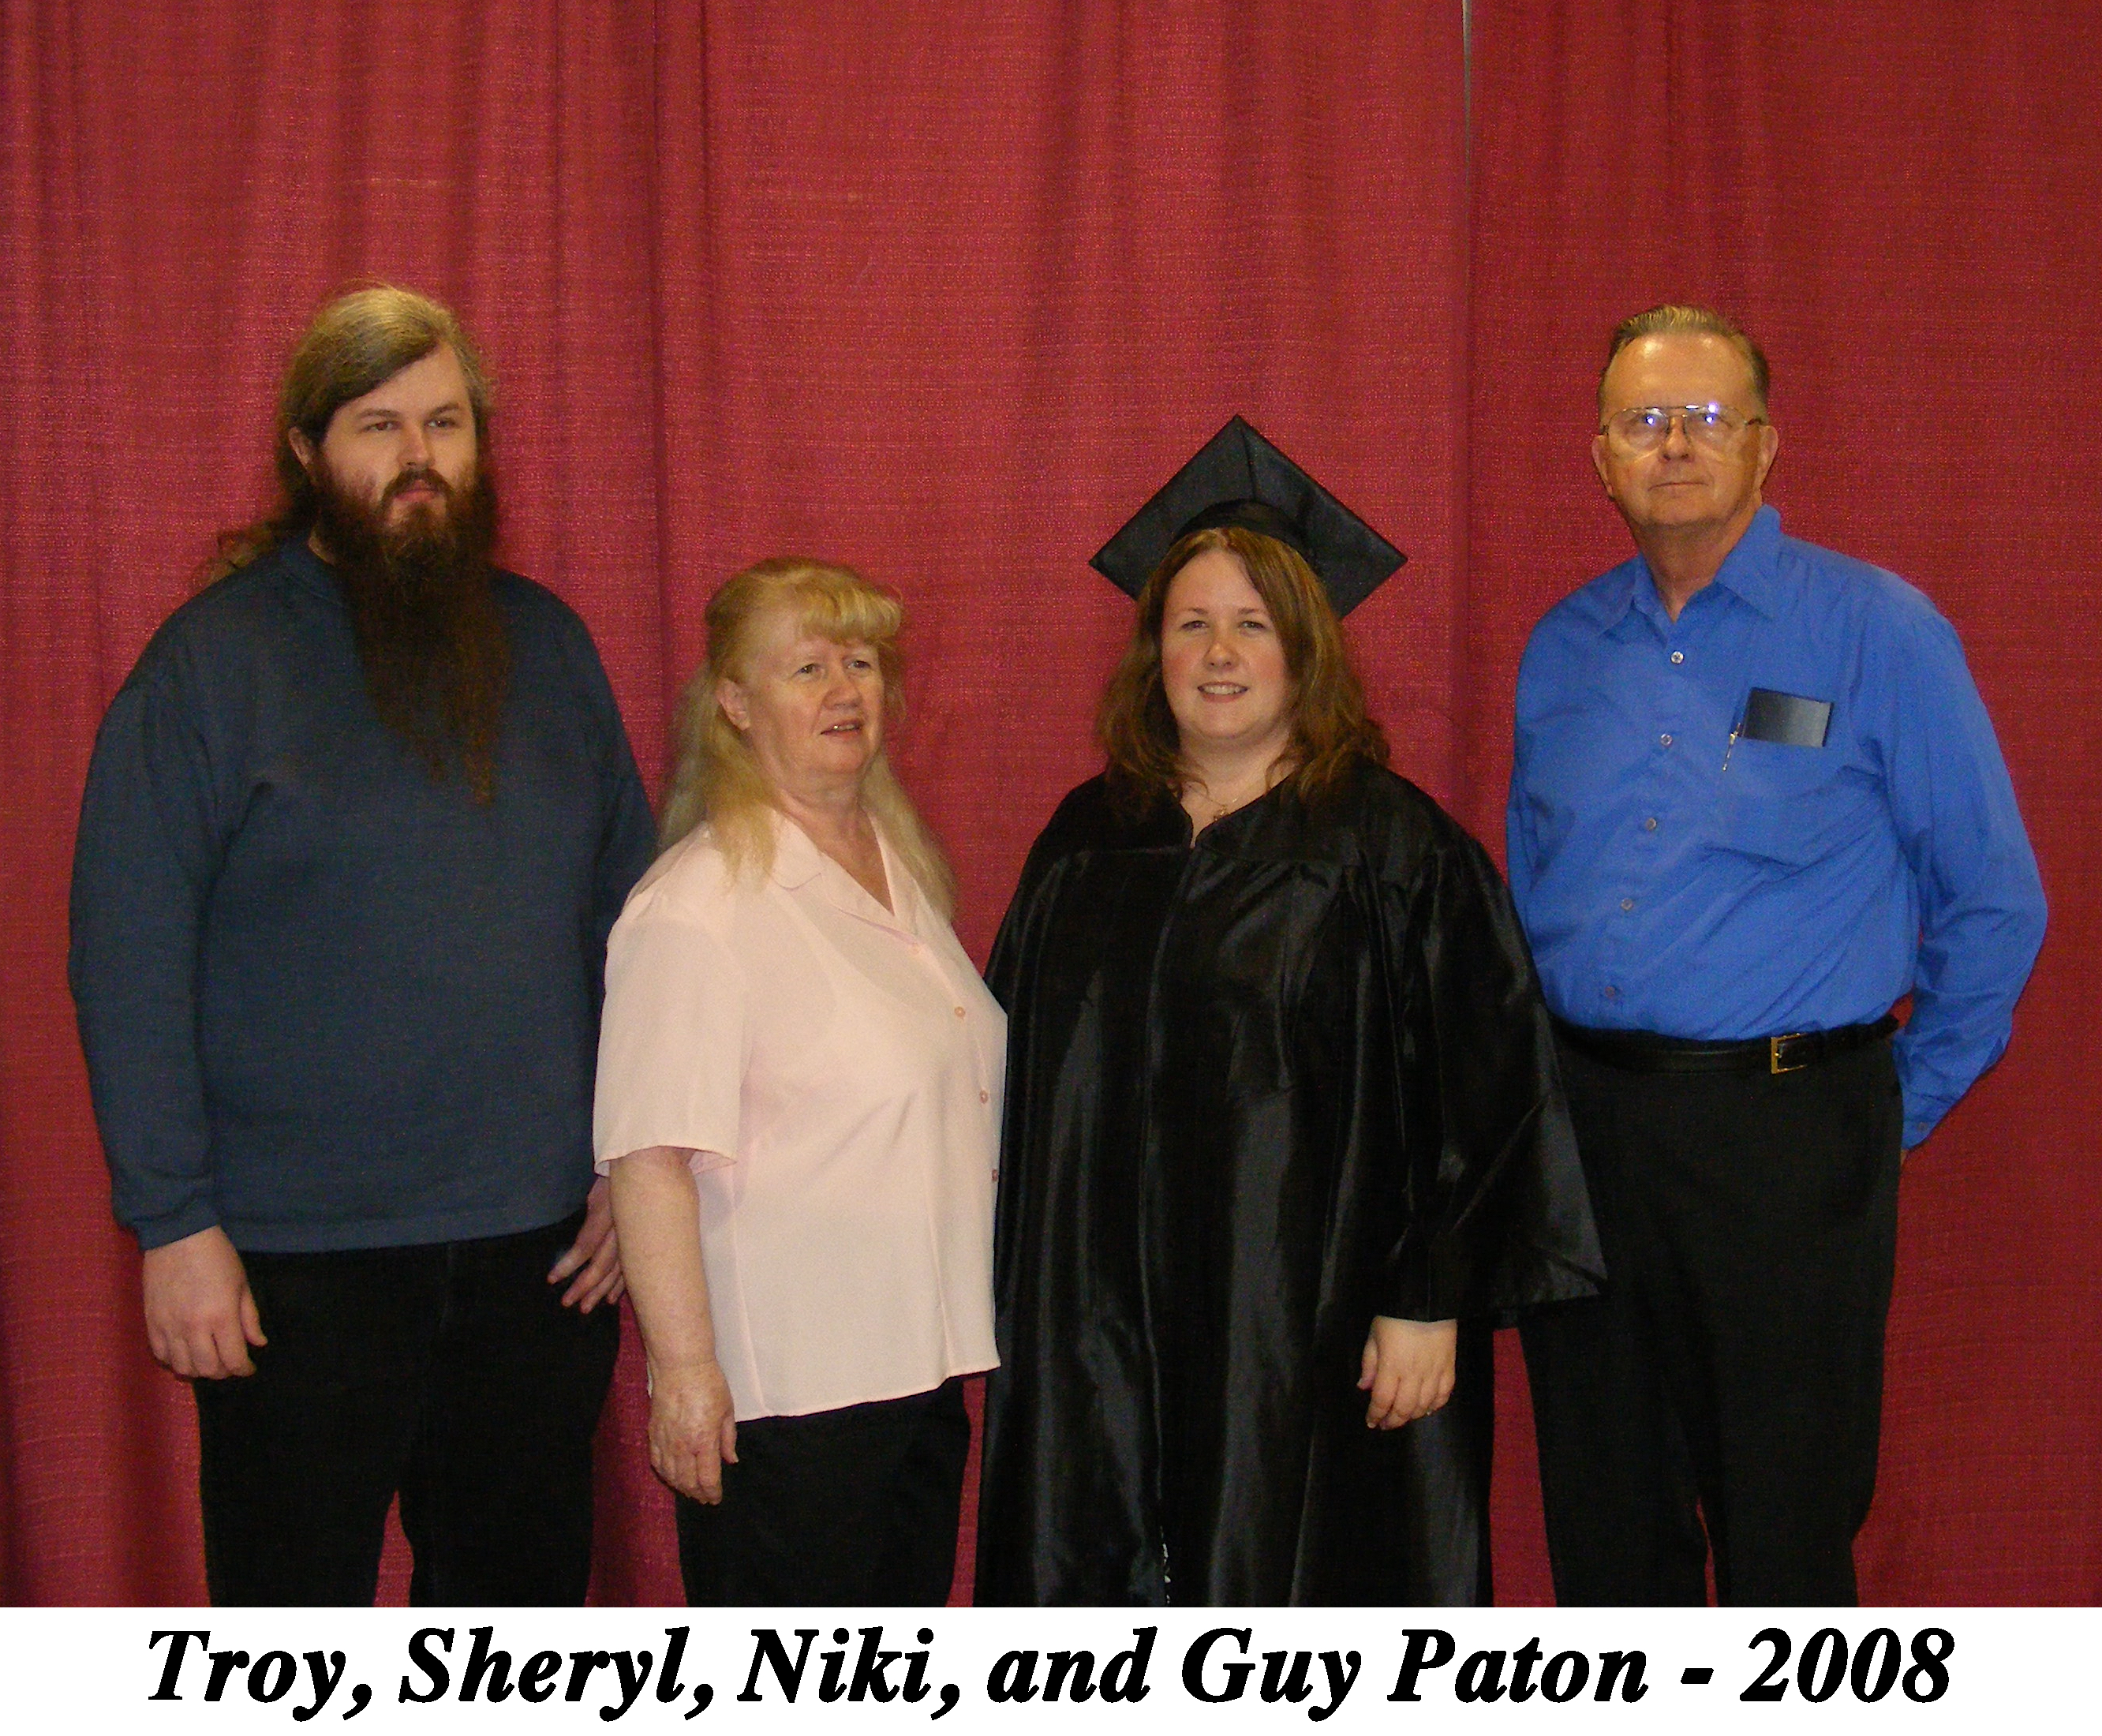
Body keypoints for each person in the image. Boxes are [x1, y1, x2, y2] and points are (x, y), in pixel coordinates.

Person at [69, 285, 656, 1605]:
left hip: (541, 1256)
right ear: (305, 450)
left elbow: (641, 934)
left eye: (445, 423)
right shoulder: (211, 667)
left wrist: (635, 1163)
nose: (418, 458)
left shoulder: (549, 650)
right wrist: (174, 1224)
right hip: (293, 1263)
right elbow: (127, 952)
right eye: (379, 425)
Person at [976, 417, 1602, 1606]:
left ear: (1305, 650)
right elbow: (1005, 1070)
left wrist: (1428, 1295)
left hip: (1302, 1331)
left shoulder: (1391, 846)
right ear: (1151, 649)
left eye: (1252, 625)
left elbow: (1494, 1093)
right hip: (1093, 1324)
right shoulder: (1087, 839)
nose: (1220, 654)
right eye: (1192, 623)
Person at [1508, 304, 2048, 1605]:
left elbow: (1992, 902)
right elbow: (1536, 895)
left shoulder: (1877, 632)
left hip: (1791, 1140)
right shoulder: (1563, 650)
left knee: (1784, 1532)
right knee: (1606, 1514)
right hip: (1587, 1138)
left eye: (1707, 418)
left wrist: (1876, 1113)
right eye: (1645, 422)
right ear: (1599, 458)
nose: (1674, 446)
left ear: (1766, 448)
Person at [594, 557, 1001, 1606]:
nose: (844, 690)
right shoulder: (695, 907)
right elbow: (648, 1163)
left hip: (917, 1371)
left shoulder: (896, 862)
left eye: (860, 662)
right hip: (791, 1399)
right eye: (807, 667)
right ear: (735, 702)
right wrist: (683, 1375)